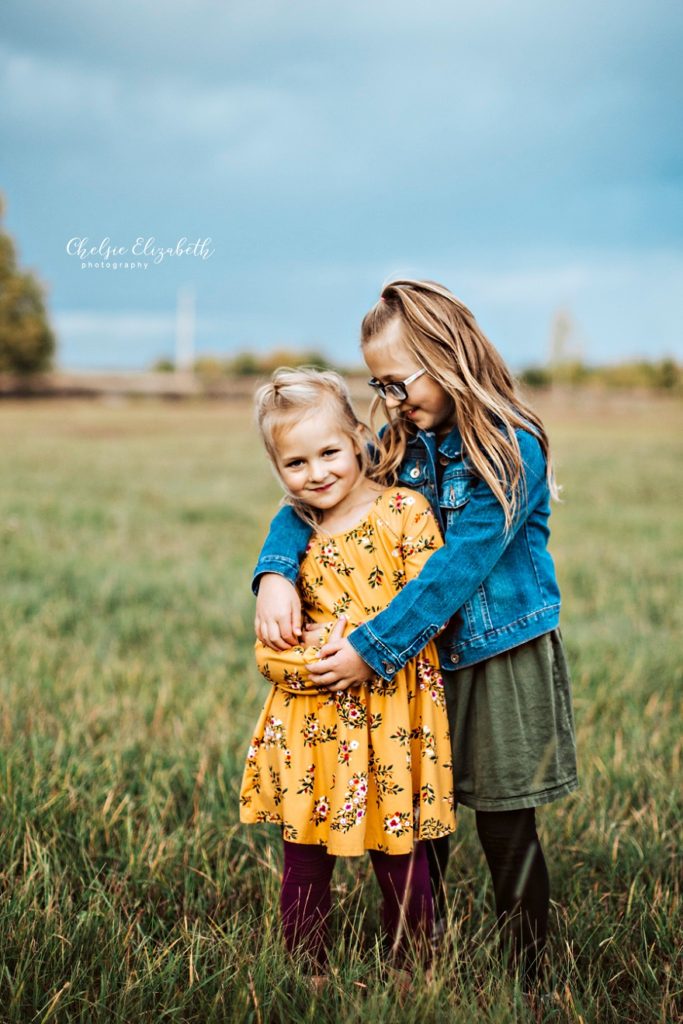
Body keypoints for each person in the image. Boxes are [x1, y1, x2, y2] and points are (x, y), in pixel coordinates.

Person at [253, 280, 579, 989]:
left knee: (502, 822)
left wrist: (371, 647)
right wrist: (276, 571)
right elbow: (314, 492)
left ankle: (529, 971)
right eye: (379, 385)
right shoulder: (397, 443)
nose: (391, 400)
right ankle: (412, 947)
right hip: (417, 665)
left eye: (399, 382)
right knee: (414, 813)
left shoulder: (508, 447)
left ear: (447, 356)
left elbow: (457, 568)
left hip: (498, 655)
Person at [240, 367, 456, 979]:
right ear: (279, 470)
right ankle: (307, 971)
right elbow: (273, 647)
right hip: (314, 727)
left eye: (330, 452)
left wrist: (362, 640)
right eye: (296, 464)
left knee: (400, 850)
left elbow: (431, 606)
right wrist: (299, 653)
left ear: (358, 437)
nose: (317, 473)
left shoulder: (404, 513)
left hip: (393, 715)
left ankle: (411, 969)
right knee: (304, 852)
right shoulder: (295, 538)